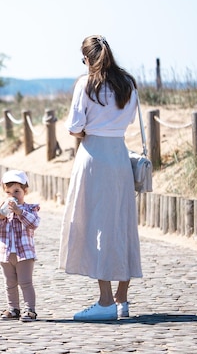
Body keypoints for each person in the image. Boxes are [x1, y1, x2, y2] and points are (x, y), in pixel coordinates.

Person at [58, 35, 143, 321]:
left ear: (86, 58)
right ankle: (122, 299)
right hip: (119, 155)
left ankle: (105, 302)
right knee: (122, 224)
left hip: (93, 156)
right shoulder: (128, 83)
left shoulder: (86, 83)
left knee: (97, 226)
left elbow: (74, 127)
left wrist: (88, 130)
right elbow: (128, 120)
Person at [0, 169, 41, 322]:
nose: (13, 195)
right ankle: (13, 308)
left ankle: (30, 309)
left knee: (25, 282)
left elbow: (34, 223)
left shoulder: (30, 209)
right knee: (10, 283)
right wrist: (1, 215)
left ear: (25, 191)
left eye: (17, 191)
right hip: (6, 253)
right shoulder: (2, 209)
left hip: (24, 253)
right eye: (9, 192)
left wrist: (20, 212)